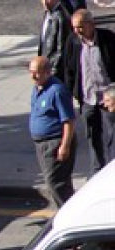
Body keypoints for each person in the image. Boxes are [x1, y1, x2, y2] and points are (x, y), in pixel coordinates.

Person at [64, 9, 115, 175]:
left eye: (80, 27)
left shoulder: (107, 39)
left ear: (91, 24)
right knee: (92, 136)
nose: (77, 31)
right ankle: (97, 172)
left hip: (108, 97)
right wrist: (73, 91)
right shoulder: (73, 41)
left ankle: (110, 170)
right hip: (87, 97)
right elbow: (69, 69)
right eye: (74, 27)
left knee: (112, 136)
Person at [29, 56, 77, 207]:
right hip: (41, 144)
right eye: (31, 72)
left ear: (48, 72)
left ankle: (69, 213)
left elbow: (68, 121)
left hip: (55, 143)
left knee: (56, 183)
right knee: (54, 183)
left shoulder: (57, 91)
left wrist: (65, 145)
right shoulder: (37, 88)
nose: (33, 76)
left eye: (37, 73)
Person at [38, 0, 74, 82]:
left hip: (52, 70)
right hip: (44, 65)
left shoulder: (61, 17)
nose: (45, 2)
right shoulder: (48, 13)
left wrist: (53, 71)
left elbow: (61, 48)